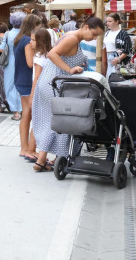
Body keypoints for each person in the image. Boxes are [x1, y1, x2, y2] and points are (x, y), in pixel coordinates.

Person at [31, 17, 105, 172]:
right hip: (55, 83)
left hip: (51, 82)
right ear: (85, 27)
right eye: (94, 33)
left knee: (52, 120)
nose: (94, 38)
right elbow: (52, 54)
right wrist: (70, 69)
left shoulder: (72, 36)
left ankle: (41, 160)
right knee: (61, 120)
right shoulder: (72, 38)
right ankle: (53, 158)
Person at [13, 15, 43, 157]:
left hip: (20, 79)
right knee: (28, 115)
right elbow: (30, 63)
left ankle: (24, 148)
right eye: (39, 26)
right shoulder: (26, 41)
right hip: (27, 80)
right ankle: (25, 149)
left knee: (26, 114)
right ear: (33, 25)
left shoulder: (19, 39)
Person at [24, 28, 53, 162]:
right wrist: (32, 96)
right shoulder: (42, 56)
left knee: (39, 120)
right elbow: (36, 78)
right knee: (38, 121)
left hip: (41, 92)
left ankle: (32, 149)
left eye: (33, 40)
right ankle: (31, 149)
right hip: (41, 92)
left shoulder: (42, 56)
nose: (31, 42)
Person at [0, 11, 26, 120]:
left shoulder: (7, 34)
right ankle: (23, 109)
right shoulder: (25, 34)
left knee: (10, 87)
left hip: (10, 63)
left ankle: (16, 112)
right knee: (22, 86)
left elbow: (1, 49)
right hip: (23, 62)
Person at [102, 13, 133, 78]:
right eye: (107, 21)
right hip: (107, 58)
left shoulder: (124, 34)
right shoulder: (107, 33)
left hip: (117, 58)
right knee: (108, 77)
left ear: (117, 22)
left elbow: (127, 50)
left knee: (115, 78)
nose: (107, 23)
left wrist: (119, 59)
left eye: (110, 21)